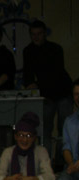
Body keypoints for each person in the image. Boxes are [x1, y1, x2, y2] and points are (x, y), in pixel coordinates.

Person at [23, 20, 73, 158]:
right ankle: (46, 161)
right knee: (45, 129)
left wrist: (36, 84)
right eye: (33, 34)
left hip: (62, 92)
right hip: (45, 96)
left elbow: (56, 73)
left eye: (39, 34)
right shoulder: (28, 51)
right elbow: (27, 73)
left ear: (45, 33)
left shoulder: (55, 49)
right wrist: (29, 84)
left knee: (64, 129)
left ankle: (62, 160)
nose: (36, 37)